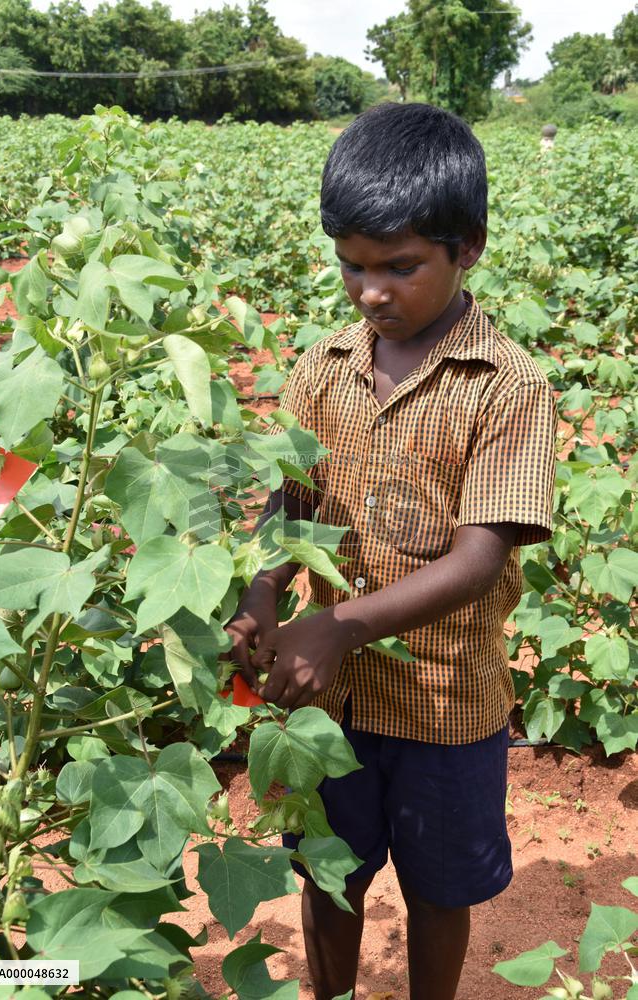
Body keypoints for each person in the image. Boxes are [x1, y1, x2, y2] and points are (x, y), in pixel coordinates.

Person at [223, 102, 557, 1000]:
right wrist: (262, 591)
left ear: (468, 247)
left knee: (441, 890)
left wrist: (336, 622)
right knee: (329, 872)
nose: (372, 291)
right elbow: (292, 496)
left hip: (445, 702)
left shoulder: (509, 385)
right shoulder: (325, 363)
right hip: (327, 698)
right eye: (353, 266)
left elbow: (479, 557)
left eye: (401, 268)